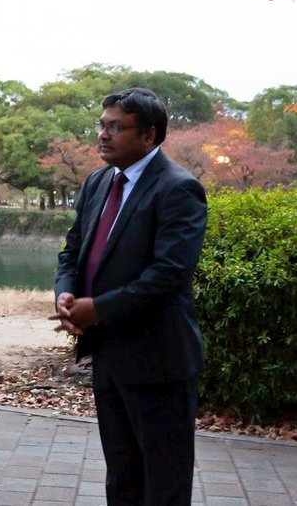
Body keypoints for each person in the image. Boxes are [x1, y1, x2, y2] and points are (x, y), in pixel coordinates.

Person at [51, 88, 207, 506]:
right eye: (102, 125)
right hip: (109, 357)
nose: (103, 135)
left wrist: (96, 309)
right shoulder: (98, 181)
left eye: (116, 127)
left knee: (164, 485)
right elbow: (73, 250)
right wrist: (65, 295)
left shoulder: (179, 189)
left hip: (160, 362)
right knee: (121, 478)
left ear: (150, 135)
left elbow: (169, 275)